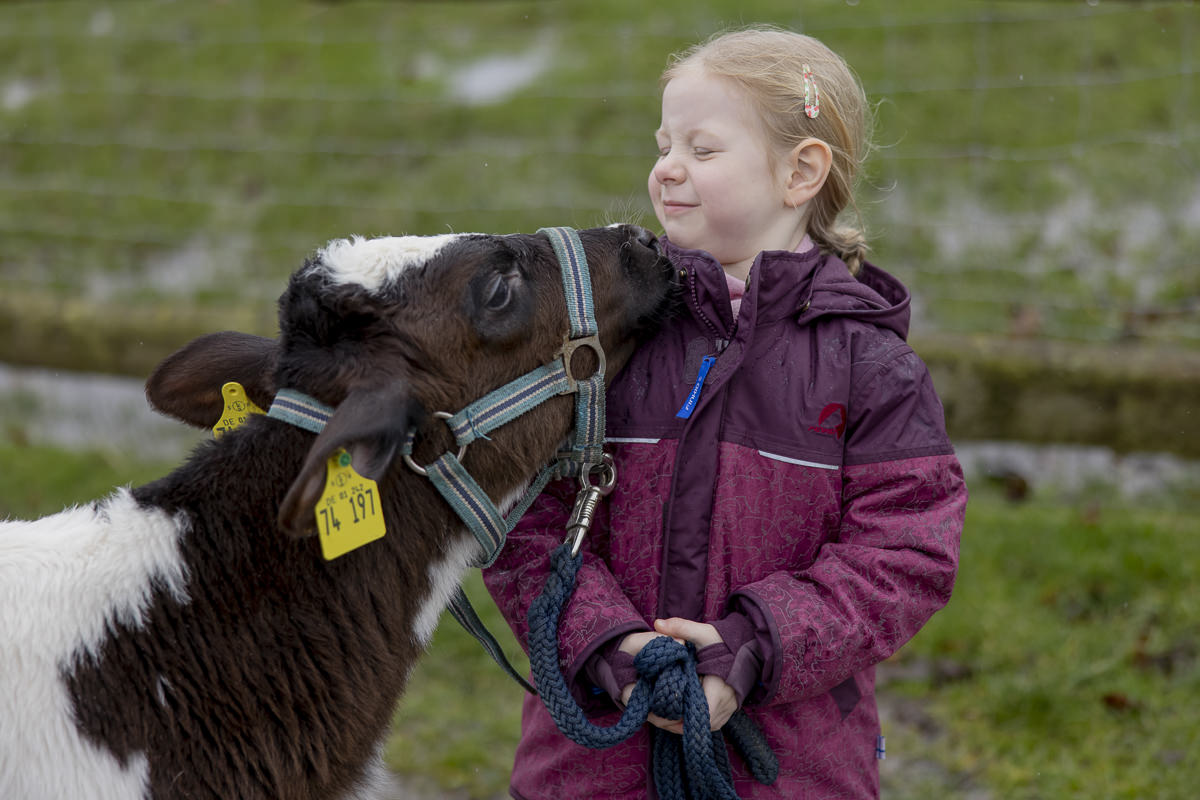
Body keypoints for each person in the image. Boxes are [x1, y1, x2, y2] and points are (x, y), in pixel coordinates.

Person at [483, 25, 967, 799]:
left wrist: (750, 649)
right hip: (593, 764)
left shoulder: (871, 368)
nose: (667, 169)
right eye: (664, 143)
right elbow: (524, 517)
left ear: (800, 171)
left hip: (789, 769)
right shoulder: (600, 341)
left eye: (702, 151)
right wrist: (611, 646)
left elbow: (905, 554)